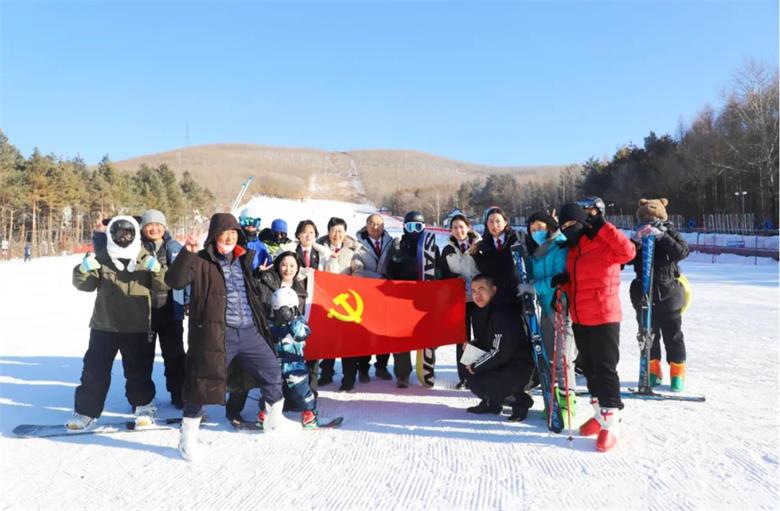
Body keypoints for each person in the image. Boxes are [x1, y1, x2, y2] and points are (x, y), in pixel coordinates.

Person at [165, 213, 298, 462]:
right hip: (217, 334)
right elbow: (175, 280)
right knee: (201, 385)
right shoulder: (201, 260)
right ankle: (187, 439)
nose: (229, 238)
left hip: (248, 330)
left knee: (272, 369)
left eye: (233, 233)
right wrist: (187, 253)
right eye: (224, 233)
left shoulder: (243, 258)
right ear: (214, 236)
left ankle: (274, 420)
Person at [66, 216, 166, 431]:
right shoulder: (102, 258)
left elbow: (164, 285)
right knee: (94, 370)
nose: (123, 237)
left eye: (128, 233)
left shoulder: (145, 257)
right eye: (119, 233)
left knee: (138, 371)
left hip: (137, 326)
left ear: (135, 233)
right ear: (111, 234)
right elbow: (85, 285)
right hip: (104, 325)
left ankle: (144, 407)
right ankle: (85, 412)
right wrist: (82, 270)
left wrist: (158, 270)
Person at [555, 202, 636, 452]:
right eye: (564, 225)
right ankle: (600, 413)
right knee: (589, 368)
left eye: (573, 223)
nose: (569, 228)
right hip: (581, 317)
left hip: (604, 315)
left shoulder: (603, 243)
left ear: (584, 222)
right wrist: (564, 285)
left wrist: (603, 226)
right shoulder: (573, 250)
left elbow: (628, 252)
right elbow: (580, 283)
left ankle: (612, 422)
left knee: (605, 368)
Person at [93, 209, 188, 409]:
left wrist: (188, 300)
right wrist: (100, 235)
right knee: (142, 359)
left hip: (170, 310)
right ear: (141, 228)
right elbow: (107, 251)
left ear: (164, 227)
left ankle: (180, 395)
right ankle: (144, 399)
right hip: (143, 313)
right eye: (149, 225)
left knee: (175, 356)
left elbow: (184, 275)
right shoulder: (134, 246)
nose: (154, 228)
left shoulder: (174, 247)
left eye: (158, 224)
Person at [224, 250, 307, 422]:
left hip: (286, 341)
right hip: (262, 332)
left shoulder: (301, 290)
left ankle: (275, 409)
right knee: (246, 372)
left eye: (292, 265)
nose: (288, 269)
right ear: (278, 265)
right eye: (284, 265)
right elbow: (249, 291)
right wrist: (256, 274)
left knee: (283, 376)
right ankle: (233, 409)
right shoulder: (266, 279)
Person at [629, 198, 690, 392]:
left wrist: (662, 237)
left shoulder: (670, 232)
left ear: (661, 217)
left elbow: (682, 252)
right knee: (648, 335)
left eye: (653, 217)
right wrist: (635, 242)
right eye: (645, 218)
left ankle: (677, 372)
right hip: (643, 294)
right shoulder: (637, 235)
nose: (648, 222)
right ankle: (653, 370)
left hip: (668, 293)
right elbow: (624, 258)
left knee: (673, 335)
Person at [463, 274, 535, 421]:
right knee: (470, 370)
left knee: (477, 376)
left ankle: (519, 400)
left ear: (493, 290)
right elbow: (489, 342)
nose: (477, 295)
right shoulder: (489, 309)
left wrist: (476, 364)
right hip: (508, 363)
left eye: (481, 289)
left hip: (520, 368)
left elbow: (499, 352)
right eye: (474, 291)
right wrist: (473, 347)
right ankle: (491, 403)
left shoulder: (502, 313)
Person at [527, 210, 577, 423]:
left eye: (540, 227)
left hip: (561, 307)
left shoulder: (560, 246)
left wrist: (534, 287)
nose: (536, 232)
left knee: (563, 358)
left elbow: (560, 277)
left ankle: (568, 404)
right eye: (532, 229)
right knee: (549, 357)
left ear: (549, 226)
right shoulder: (538, 251)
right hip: (546, 308)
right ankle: (553, 401)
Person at [387, 210, 443, 388]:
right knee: (401, 336)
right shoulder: (398, 247)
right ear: (404, 227)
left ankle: (427, 368)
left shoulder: (431, 247)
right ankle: (402, 373)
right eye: (410, 227)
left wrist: (435, 281)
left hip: (424, 299)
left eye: (418, 227)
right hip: (403, 299)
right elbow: (390, 273)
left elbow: (439, 271)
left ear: (423, 227)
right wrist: (394, 260)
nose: (414, 231)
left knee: (426, 334)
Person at [316, 217, 367, 391]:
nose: (336, 235)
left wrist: (356, 274)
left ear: (345, 232)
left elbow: (358, 267)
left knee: (347, 340)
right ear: (328, 232)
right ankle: (326, 373)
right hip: (324, 299)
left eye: (340, 231)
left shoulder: (353, 249)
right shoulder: (319, 247)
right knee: (327, 339)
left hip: (347, 300)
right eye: (333, 231)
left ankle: (349, 377)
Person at [262, 287, 320, 428]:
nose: (283, 313)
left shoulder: (299, 322)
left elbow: (302, 334)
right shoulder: (271, 324)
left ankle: (309, 414)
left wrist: (290, 322)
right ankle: (265, 414)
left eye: (286, 309)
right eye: (279, 310)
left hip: (295, 364)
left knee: (300, 390)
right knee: (271, 390)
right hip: (275, 364)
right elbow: (267, 336)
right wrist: (277, 326)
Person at [350, 213, 394, 381]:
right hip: (365, 295)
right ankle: (363, 369)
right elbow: (357, 271)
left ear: (383, 225)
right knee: (365, 333)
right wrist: (380, 278)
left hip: (386, 295)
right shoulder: (357, 245)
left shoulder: (392, 242)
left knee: (385, 332)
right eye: (372, 223)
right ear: (366, 225)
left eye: (379, 224)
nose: (375, 227)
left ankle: (381, 367)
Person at [440, 214, 481, 390]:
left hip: (478, 299)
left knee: (479, 337)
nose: (458, 230)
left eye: (461, 226)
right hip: (459, 300)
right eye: (455, 227)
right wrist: (454, 279)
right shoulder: (447, 250)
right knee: (462, 338)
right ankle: (464, 376)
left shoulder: (479, 246)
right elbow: (443, 274)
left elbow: (487, 269)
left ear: (468, 227)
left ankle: (478, 373)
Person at [471, 206, 528, 306]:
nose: (494, 225)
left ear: (505, 222)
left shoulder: (516, 239)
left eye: (498, 221)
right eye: (491, 222)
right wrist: (475, 255)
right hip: (496, 295)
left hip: (518, 292)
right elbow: (485, 270)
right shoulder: (484, 244)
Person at [238, 205, 272, 270]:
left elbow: (268, 266)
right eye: (246, 221)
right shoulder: (234, 241)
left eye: (254, 222)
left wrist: (261, 272)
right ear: (241, 222)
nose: (250, 225)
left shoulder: (261, 247)